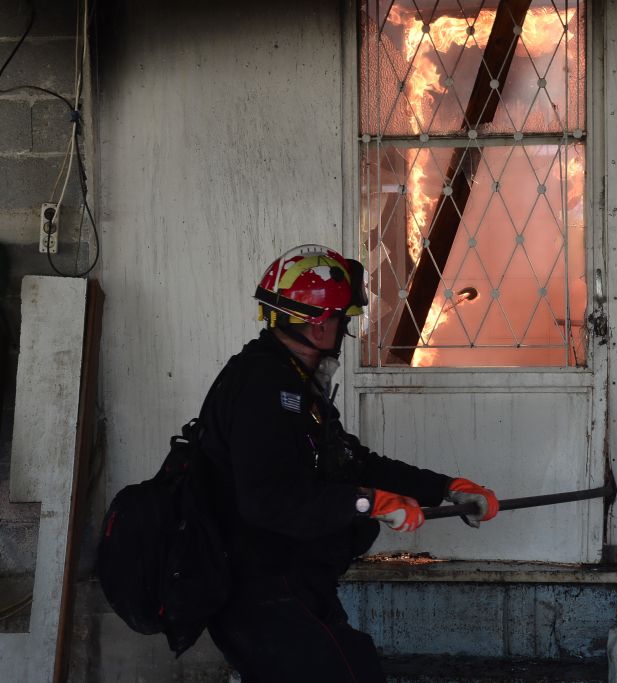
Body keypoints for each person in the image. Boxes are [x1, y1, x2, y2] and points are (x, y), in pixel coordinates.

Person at [198, 244, 499, 682]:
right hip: (260, 592)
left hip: (293, 583)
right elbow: (267, 501)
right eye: (344, 319)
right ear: (320, 325)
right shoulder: (263, 387)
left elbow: (354, 462)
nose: (344, 330)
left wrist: (448, 487)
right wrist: (366, 503)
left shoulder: (293, 383)